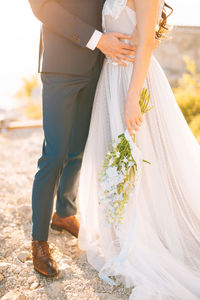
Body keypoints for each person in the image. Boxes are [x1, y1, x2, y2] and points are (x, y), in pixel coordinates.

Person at [78, 0, 200, 299]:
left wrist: (132, 97)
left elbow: (146, 43)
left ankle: (150, 232)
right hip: (111, 77)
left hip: (134, 81)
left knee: (142, 156)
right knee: (117, 156)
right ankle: (124, 228)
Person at [28, 0, 139, 277]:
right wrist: (98, 39)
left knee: (78, 148)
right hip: (61, 65)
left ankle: (64, 213)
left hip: (98, 65)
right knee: (54, 153)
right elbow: (42, 7)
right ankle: (39, 240)